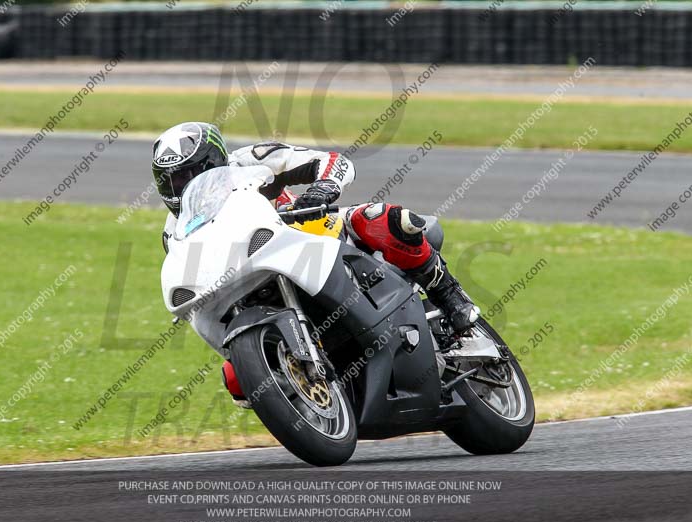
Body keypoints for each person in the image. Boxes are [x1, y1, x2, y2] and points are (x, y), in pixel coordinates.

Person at [152, 122, 479, 398]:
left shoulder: (252, 160)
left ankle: (452, 300)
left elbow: (333, 161)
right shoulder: (175, 231)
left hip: (315, 231)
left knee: (390, 220)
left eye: (190, 174)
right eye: (172, 180)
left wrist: (323, 188)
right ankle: (302, 386)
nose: (181, 186)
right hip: (254, 275)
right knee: (236, 379)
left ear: (215, 160)